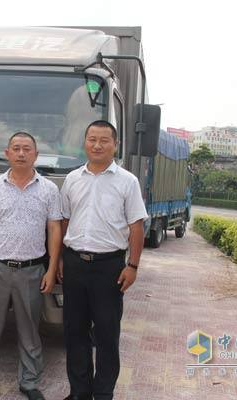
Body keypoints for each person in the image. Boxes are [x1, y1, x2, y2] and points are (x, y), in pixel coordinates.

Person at [58, 120, 147, 400]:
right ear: (84, 142)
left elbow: (136, 226)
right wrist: (61, 258)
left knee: (107, 334)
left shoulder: (127, 181)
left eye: (104, 140)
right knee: (75, 332)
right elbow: (64, 220)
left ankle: (104, 392)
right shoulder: (72, 179)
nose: (97, 145)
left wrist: (132, 266)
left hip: (109, 268)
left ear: (115, 144)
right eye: (92, 139)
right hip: (74, 264)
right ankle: (80, 392)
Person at [0, 131, 62, 400]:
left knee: (30, 329)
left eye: (27, 149)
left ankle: (30, 383)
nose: (21, 153)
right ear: (7, 153)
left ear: (36, 154)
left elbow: (54, 229)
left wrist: (51, 267)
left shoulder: (48, 189)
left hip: (32, 270)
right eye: (16, 148)